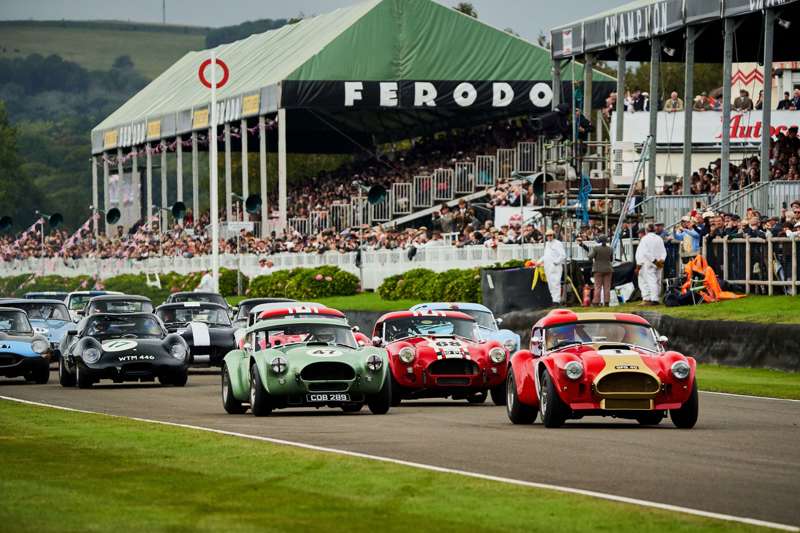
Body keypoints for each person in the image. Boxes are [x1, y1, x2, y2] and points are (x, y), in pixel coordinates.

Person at [635, 224, 667, 306]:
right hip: (659, 262)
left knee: (650, 281)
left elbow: (645, 252)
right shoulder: (659, 238)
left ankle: (652, 299)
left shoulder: (645, 239)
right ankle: (654, 298)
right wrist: (662, 260)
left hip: (649, 262)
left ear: (646, 230)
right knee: (657, 280)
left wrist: (654, 261)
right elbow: (664, 251)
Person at [580, 235, 613, 306]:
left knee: (597, 286)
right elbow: (611, 259)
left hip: (598, 269)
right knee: (607, 287)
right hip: (608, 269)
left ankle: (596, 302)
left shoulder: (596, 248)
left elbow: (589, 257)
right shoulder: (610, 249)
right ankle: (607, 302)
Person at [541, 228, 566, 305]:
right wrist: (538, 262)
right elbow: (545, 256)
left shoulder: (558, 243)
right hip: (548, 267)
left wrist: (555, 263)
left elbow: (563, 255)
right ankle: (553, 300)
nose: (549, 237)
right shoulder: (547, 244)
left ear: (553, 235)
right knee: (550, 284)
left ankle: (556, 301)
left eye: (550, 235)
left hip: (555, 267)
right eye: (548, 235)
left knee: (555, 283)